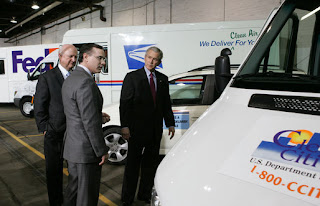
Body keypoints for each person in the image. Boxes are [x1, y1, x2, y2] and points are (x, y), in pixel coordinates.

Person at [120, 46, 175, 206]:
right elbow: (125, 104)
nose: (151, 61)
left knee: (150, 166)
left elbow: (166, 104)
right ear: (144, 58)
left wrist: (170, 122)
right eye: (149, 57)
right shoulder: (132, 77)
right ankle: (127, 199)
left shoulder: (163, 79)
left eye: (155, 59)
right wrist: (125, 126)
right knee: (132, 166)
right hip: (136, 130)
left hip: (155, 130)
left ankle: (144, 194)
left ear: (159, 61)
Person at [62, 43, 110, 206]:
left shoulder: (71, 78)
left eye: (104, 59)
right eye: (100, 58)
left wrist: (97, 115)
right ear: (86, 57)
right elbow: (88, 122)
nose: (103, 62)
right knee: (86, 198)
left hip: (73, 148)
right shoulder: (85, 82)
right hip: (86, 151)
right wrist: (101, 150)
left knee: (74, 193)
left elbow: (77, 113)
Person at [34, 44, 77, 206]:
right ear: (60, 56)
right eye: (70, 56)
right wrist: (45, 128)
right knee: (54, 174)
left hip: (74, 134)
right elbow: (39, 106)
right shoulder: (47, 77)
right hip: (54, 134)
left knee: (75, 172)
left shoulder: (75, 77)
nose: (73, 60)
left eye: (75, 57)